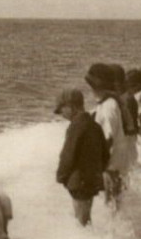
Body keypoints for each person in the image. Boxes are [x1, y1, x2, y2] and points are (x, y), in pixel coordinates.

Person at [55, 88, 108, 225]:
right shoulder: (95, 125)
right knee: (86, 218)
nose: (61, 114)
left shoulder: (76, 126)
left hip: (78, 181)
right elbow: (105, 154)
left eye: (62, 109)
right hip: (92, 180)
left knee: (80, 221)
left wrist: (61, 176)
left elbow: (67, 154)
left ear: (71, 106)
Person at [86, 63, 131, 208]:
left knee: (111, 205)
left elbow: (108, 138)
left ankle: (115, 230)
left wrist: (96, 164)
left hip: (111, 164)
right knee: (115, 204)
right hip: (116, 162)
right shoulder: (110, 102)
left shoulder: (108, 105)